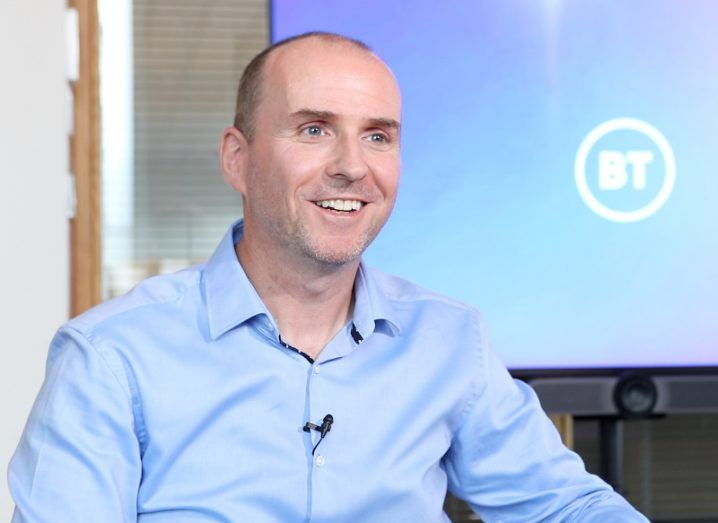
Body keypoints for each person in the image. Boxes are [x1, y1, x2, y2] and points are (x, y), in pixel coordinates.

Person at [9, 32, 648, 522]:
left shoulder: (449, 341)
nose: (352, 167)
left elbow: (567, 508)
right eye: (314, 130)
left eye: (377, 136)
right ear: (238, 158)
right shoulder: (111, 357)